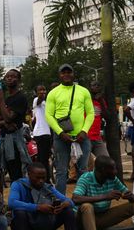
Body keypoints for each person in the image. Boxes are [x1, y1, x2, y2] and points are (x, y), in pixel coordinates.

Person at [44, 64, 94, 194]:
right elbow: (48, 115)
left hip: (81, 137)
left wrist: (84, 131)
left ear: (73, 74)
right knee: (61, 171)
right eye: (63, 72)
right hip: (62, 138)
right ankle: (61, 201)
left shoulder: (83, 91)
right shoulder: (53, 93)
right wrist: (60, 133)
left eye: (69, 72)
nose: (66, 75)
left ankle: (83, 199)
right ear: (59, 75)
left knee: (83, 170)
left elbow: (90, 113)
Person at [72, 155, 134, 230]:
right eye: (112, 169)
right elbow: (75, 198)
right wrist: (105, 196)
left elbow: (133, 197)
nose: (115, 171)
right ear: (103, 170)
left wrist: (130, 196)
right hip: (83, 220)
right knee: (87, 206)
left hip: (102, 217)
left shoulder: (112, 178)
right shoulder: (86, 178)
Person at [8, 162, 75, 230]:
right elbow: (12, 203)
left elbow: (70, 202)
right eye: (37, 178)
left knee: (68, 211)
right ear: (29, 175)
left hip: (45, 221)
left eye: (43, 178)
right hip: (26, 223)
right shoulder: (18, 184)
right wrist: (38, 207)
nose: (41, 181)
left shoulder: (47, 187)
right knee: (20, 213)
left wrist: (64, 205)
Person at [0, 68, 31, 186]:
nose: (10, 78)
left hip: (15, 140)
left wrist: (0, 100)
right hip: (6, 139)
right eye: (7, 76)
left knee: (17, 172)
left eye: (13, 76)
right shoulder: (8, 98)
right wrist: (5, 122)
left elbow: (9, 118)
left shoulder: (20, 97)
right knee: (10, 171)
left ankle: (21, 200)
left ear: (19, 80)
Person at [31, 84, 53, 182]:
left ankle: (41, 179)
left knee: (43, 158)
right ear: (36, 92)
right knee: (43, 159)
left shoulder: (46, 102)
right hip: (41, 133)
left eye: (44, 89)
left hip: (47, 133)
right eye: (40, 90)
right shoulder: (36, 100)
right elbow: (40, 98)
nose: (42, 91)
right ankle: (46, 180)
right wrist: (41, 95)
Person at [87, 81, 109, 159]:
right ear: (89, 88)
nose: (96, 87)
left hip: (97, 137)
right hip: (86, 137)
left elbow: (106, 116)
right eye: (93, 85)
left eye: (98, 85)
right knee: (85, 163)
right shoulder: (85, 100)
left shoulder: (101, 101)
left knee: (105, 160)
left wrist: (101, 101)